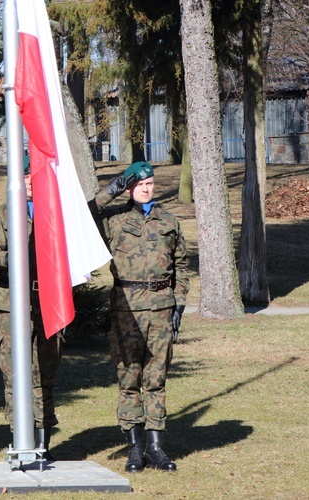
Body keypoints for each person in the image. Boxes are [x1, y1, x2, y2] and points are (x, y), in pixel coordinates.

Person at [92, 161, 191, 473]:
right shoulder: (113, 220)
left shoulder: (169, 220)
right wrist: (111, 189)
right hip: (127, 310)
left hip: (162, 309)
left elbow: (182, 266)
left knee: (156, 378)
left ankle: (156, 448)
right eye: (140, 184)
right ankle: (135, 448)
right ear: (130, 188)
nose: (147, 189)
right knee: (129, 377)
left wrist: (179, 302)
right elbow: (82, 217)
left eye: (150, 183)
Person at [0, 155, 61, 460]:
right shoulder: (1, 215)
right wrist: (11, 258)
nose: (29, 182)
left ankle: (44, 442)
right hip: (12, 305)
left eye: (33, 176)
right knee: (15, 375)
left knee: (45, 374)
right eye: (24, 177)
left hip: (47, 302)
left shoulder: (54, 213)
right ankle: (20, 441)